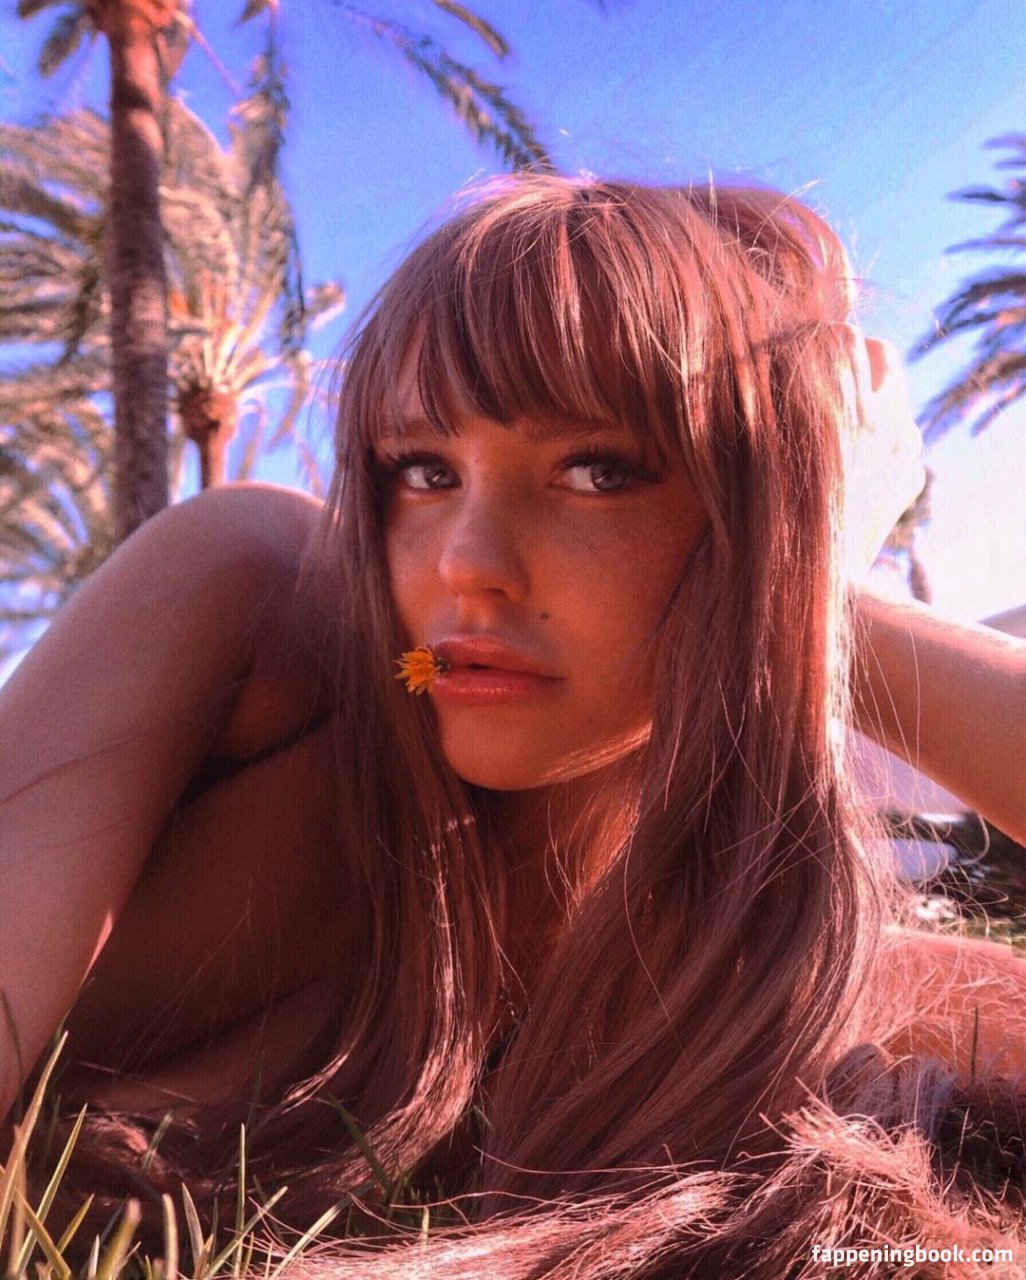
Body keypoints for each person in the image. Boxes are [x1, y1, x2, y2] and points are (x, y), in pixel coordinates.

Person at [2, 175, 1025, 1277]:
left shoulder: (699, 955)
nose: (467, 565)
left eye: (597, 470)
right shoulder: (262, 597)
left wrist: (807, 580)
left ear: (755, 510)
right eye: (424, 470)